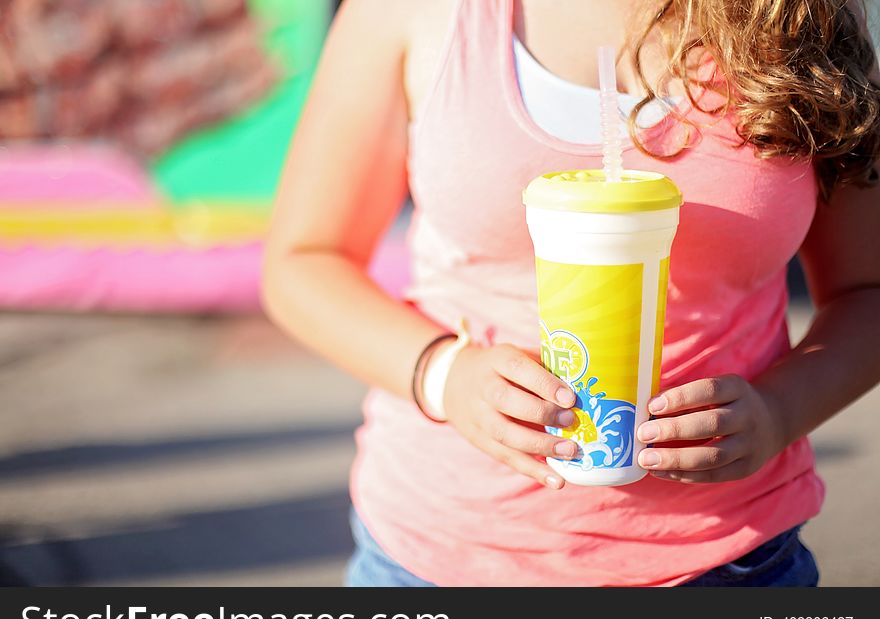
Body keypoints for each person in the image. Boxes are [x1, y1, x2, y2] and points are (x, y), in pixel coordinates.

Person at [262, 0, 880, 586]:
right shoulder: (414, 13)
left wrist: (778, 412)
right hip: (438, 556)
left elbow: (866, 290)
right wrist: (443, 373)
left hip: (732, 557)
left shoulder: (805, 16)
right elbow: (303, 262)